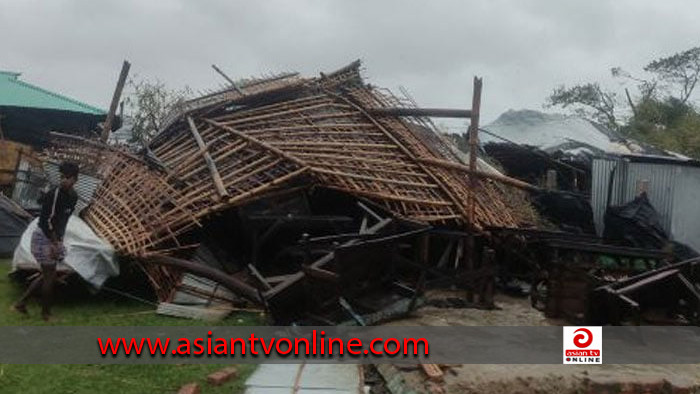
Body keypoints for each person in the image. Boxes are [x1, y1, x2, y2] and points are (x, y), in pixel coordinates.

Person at [14, 161, 79, 321]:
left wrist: (60, 241)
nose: (63, 180)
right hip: (43, 237)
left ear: (75, 179)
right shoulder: (54, 194)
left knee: (47, 274)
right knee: (50, 276)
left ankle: (21, 304)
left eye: (67, 177)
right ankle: (46, 314)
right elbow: (46, 221)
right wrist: (54, 243)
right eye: (62, 177)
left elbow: (63, 220)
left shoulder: (73, 197)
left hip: (55, 238)